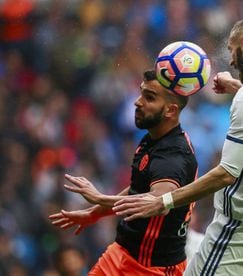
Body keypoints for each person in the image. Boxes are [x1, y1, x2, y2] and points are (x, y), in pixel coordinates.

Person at [112, 15, 243, 275]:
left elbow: (226, 174)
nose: (230, 59)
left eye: (231, 50)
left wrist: (164, 201)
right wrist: (238, 88)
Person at [49, 70, 198, 275]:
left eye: (149, 98)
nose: (137, 102)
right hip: (121, 252)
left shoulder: (174, 155)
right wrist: (97, 211)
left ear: (170, 110)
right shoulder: (151, 139)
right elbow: (139, 189)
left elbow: (157, 202)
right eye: (141, 93)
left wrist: (100, 198)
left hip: (151, 268)